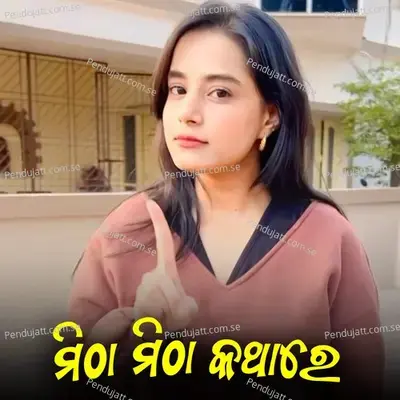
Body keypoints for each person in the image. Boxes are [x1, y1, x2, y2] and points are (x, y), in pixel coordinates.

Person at [68, 1, 384, 399]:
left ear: (270, 116)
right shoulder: (126, 232)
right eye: (178, 90)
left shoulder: (328, 237)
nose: (187, 113)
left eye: (219, 92)